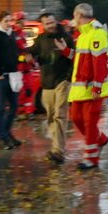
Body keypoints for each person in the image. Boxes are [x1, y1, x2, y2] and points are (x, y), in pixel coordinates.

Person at [65, 2, 108, 170]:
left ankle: (91, 159)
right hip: (81, 87)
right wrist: (65, 51)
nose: (72, 19)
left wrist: (97, 87)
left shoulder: (96, 33)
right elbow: (80, 59)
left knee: (90, 123)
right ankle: (100, 139)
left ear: (79, 16)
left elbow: (99, 63)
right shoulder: (83, 34)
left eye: (74, 16)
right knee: (76, 118)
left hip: (92, 88)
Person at [29, 12, 74, 164]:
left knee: (60, 115)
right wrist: (28, 55)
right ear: (43, 25)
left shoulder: (66, 38)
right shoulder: (41, 39)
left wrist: (69, 78)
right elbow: (31, 52)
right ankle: (57, 144)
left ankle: (58, 150)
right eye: (47, 24)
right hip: (46, 83)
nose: (50, 25)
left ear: (56, 21)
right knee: (50, 116)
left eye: (52, 22)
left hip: (63, 81)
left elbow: (75, 57)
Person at [0, 10, 21, 149]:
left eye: (10, 20)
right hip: (1, 76)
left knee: (14, 106)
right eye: (6, 21)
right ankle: (2, 137)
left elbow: (15, 52)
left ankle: (7, 133)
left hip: (13, 74)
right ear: (0, 21)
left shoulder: (11, 34)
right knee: (1, 107)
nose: (9, 23)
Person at [13, 11, 37, 116]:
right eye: (22, 20)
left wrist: (30, 60)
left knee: (28, 90)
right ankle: (18, 112)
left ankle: (28, 111)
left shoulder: (22, 34)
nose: (24, 22)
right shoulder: (13, 35)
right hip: (19, 69)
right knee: (20, 92)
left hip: (26, 69)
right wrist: (24, 58)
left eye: (23, 20)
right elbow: (14, 54)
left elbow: (24, 50)